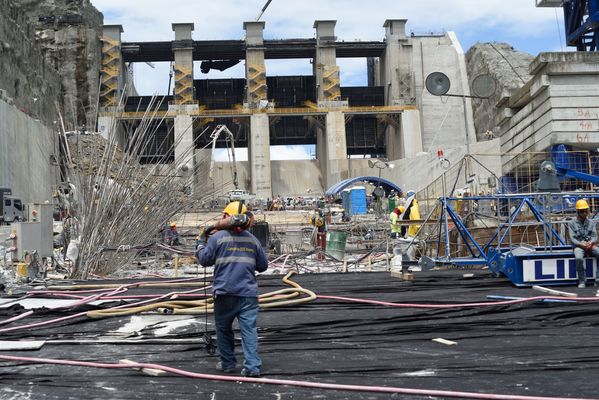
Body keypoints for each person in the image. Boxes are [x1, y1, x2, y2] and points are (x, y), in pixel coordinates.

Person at [196, 201, 268, 377]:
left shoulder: (217, 238)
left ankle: (228, 364)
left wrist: (199, 243)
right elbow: (263, 266)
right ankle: (252, 367)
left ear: (226, 217)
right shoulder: (253, 240)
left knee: (223, 329)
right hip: (248, 295)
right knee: (248, 330)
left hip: (225, 293)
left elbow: (205, 260)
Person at [568, 199, 599, 288]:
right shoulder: (572, 223)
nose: (584, 213)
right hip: (579, 246)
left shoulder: (591, 222)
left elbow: (594, 236)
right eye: (582, 211)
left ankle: (598, 280)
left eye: (586, 211)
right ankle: (582, 280)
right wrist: (580, 244)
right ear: (578, 212)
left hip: (590, 245)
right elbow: (572, 238)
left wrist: (591, 242)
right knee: (578, 258)